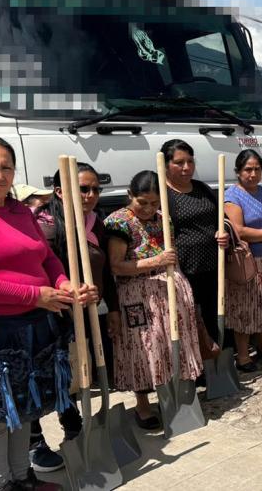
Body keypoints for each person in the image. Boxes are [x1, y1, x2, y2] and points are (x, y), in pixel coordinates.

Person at [0, 134, 97, 491]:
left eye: (6, 167)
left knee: (24, 407)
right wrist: (34, 295)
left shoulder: (19, 211)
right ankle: (1, 486)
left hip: (34, 326)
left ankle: (24, 479)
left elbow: (46, 257)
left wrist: (64, 284)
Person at [27, 163, 121, 472]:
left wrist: (113, 308)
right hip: (50, 316)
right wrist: (67, 294)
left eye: (95, 189)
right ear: (59, 191)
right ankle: (34, 441)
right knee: (45, 378)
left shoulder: (95, 223)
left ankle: (74, 426)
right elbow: (39, 274)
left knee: (74, 376)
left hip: (87, 310)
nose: (91, 195)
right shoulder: (45, 227)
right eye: (83, 189)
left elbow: (104, 270)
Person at [104, 170, 203, 429]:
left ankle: (173, 395)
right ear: (130, 195)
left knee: (171, 344)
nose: (148, 208)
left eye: (154, 202)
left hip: (168, 291)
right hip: (137, 294)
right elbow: (116, 266)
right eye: (142, 202)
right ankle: (143, 405)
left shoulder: (163, 218)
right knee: (143, 348)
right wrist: (155, 261)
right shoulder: (118, 223)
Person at [161, 140, 229, 347]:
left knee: (213, 313)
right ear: (165, 165)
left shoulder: (202, 188)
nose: (186, 167)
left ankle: (216, 355)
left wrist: (223, 232)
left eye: (190, 161)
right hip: (183, 269)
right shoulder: (162, 194)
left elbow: (222, 219)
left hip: (213, 265)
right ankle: (194, 360)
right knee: (188, 317)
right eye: (179, 163)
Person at [224, 149, 262, 372]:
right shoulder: (232, 196)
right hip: (248, 262)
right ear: (238, 172)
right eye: (248, 169)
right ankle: (242, 356)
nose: (253, 174)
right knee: (245, 308)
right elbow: (238, 230)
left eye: (257, 169)